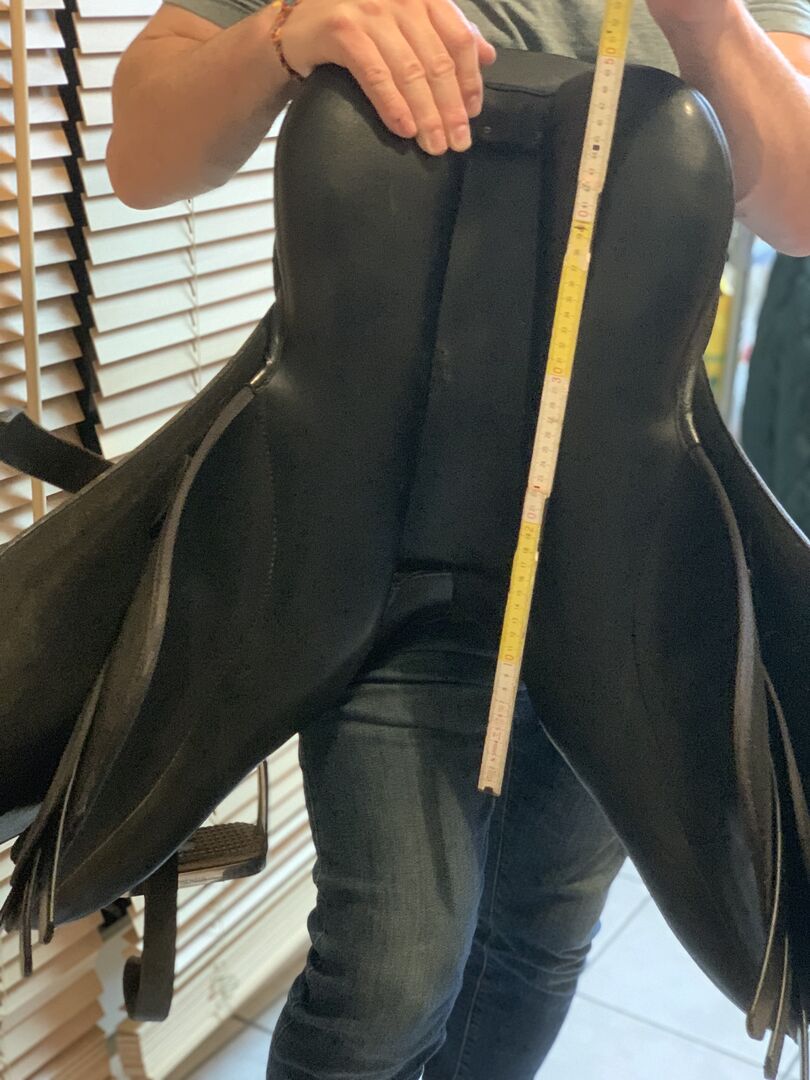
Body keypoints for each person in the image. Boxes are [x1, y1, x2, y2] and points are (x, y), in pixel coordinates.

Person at [107, 1, 810, 1077]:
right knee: (390, 972)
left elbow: (798, 206)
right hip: (380, 526)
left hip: (626, 545)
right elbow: (141, 158)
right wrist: (286, 33)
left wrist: (706, 22)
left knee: (540, 930)